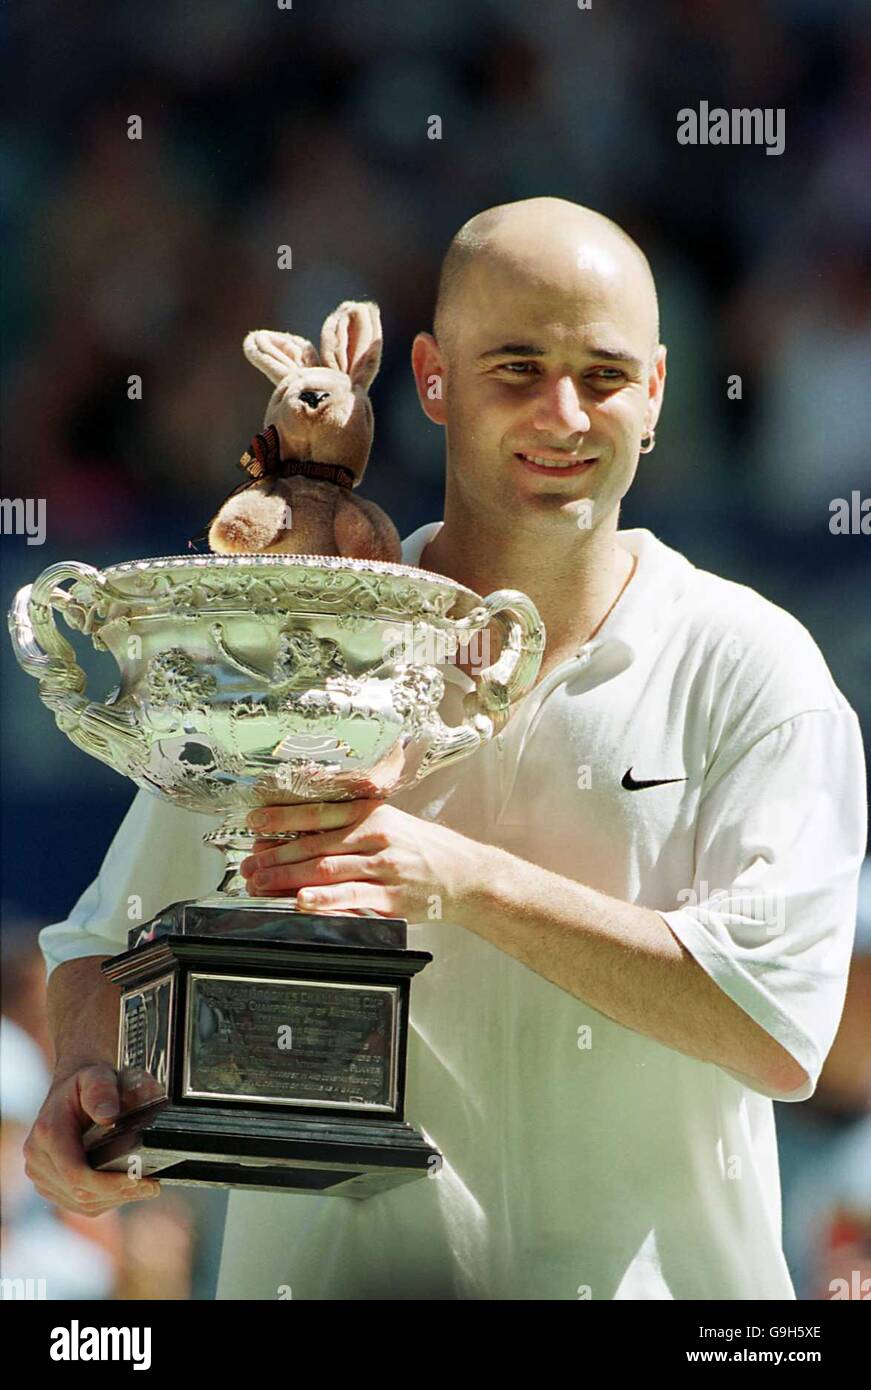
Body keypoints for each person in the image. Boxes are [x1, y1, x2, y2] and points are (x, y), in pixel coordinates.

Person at [27, 197, 867, 1300]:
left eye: (604, 374)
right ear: (429, 378)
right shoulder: (294, 641)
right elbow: (97, 946)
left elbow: (774, 1023)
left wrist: (464, 880)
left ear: (656, 390)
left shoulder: (756, 664)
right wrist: (88, 1081)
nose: (563, 412)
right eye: (515, 367)